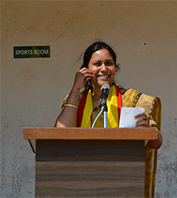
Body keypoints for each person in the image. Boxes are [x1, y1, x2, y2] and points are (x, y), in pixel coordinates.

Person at [55, 41, 162, 197]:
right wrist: (75, 88)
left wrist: (148, 131)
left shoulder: (131, 100)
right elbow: (60, 134)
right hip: (82, 179)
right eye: (97, 64)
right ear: (86, 69)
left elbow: (157, 141)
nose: (103, 69)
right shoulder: (76, 100)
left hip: (122, 180)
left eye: (109, 64)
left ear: (115, 68)